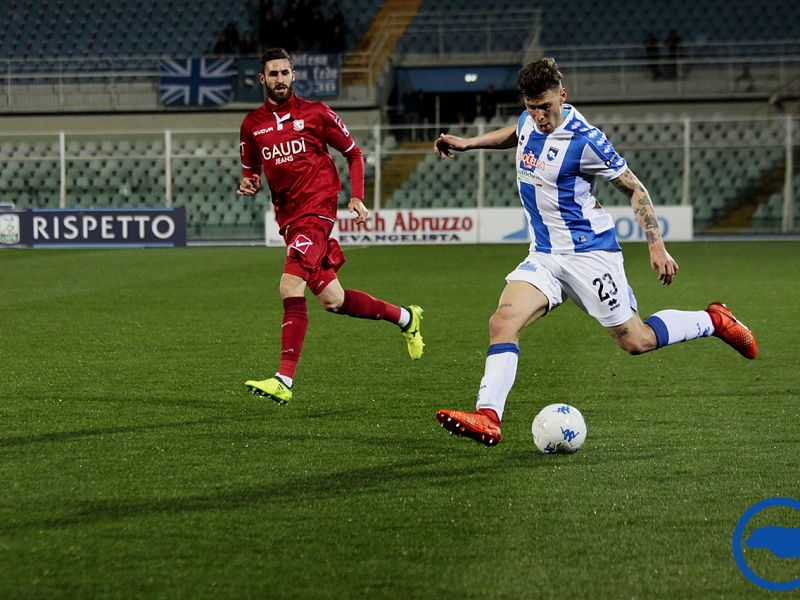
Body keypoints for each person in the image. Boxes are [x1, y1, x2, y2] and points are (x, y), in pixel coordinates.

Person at [431, 57, 757, 447]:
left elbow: (635, 188)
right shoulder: (528, 120)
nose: (539, 117)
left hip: (590, 255)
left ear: (562, 97)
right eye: (532, 107)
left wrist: (656, 244)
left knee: (636, 340)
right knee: (502, 322)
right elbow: (514, 134)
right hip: (545, 255)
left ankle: (713, 320)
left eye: (546, 107)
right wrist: (468, 143)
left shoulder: (585, 140)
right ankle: (488, 416)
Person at [237, 48, 424, 405]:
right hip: (289, 219)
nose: (279, 79)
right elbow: (252, 174)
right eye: (272, 74)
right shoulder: (251, 125)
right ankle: (405, 318)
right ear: (262, 79)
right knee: (334, 300)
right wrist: (249, 184)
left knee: (289, 284)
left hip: (318, 211)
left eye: (284, 73)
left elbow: (353, 153)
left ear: (294, 76)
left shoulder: (317, 113)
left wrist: (356, 196)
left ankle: (284, 379)